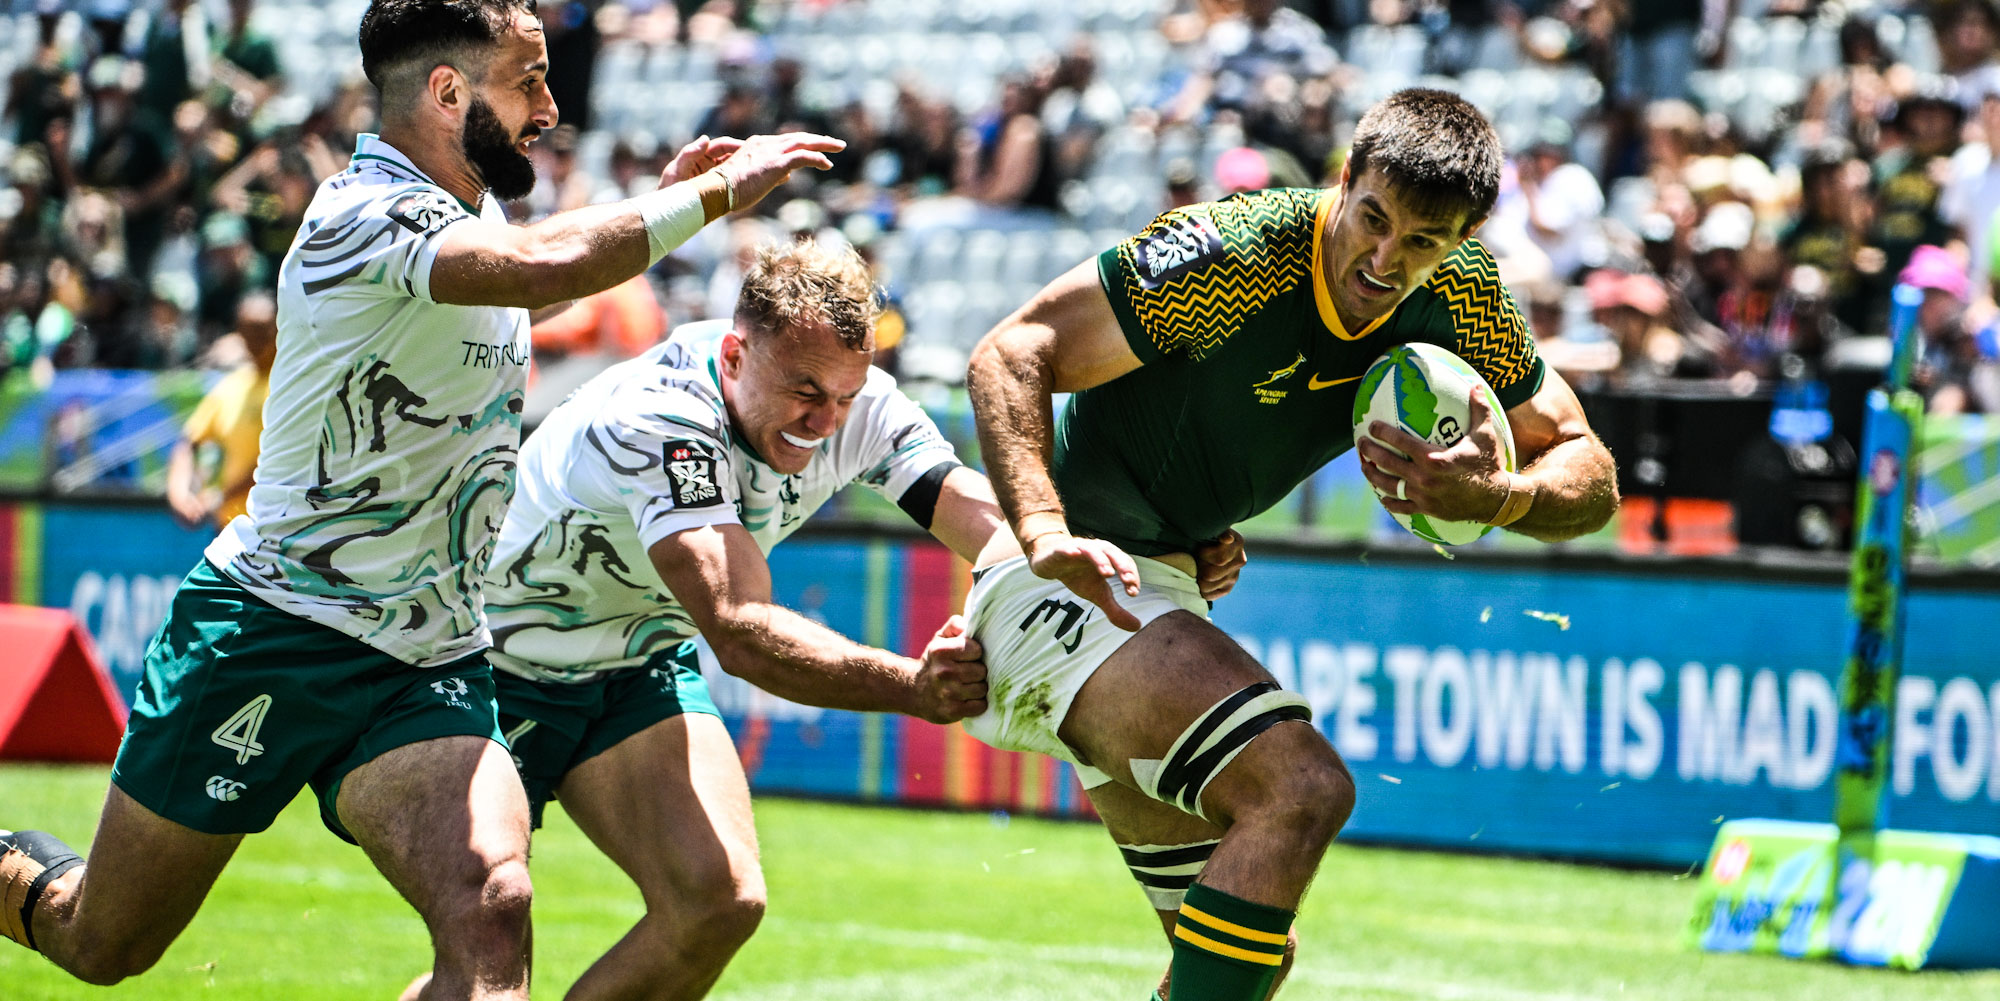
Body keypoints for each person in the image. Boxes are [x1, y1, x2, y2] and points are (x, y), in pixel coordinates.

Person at [0, 1, 839, 996]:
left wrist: (646, 207)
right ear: (447, 91)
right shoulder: (360, 211)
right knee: (103, 941)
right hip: (274, 628)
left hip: (427, 650)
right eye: (527, 79)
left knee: (492, 904)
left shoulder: (471, 219)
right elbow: (542, 267)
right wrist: (701, 203)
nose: (549, 106)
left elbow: (536, 287)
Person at [963, 88, 1619, 1001]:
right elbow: (1012, 350)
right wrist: (1041, 530)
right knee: (1301, 787)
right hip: (1064, 583)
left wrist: (1502, 496)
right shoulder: (1236, 252)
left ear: (1463, 241)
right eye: (1374, 218)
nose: (1386, 260)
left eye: (1423, 243)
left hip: (1160, 587)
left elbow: (1590, 471)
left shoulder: (1467, 299)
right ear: (1344, 179)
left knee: (1250, 952)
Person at [450, 236, 1019, 1000]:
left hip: (636, 660)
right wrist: (914, 685)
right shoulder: (662, 420)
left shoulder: (859, 405)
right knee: (488, 956)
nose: (826, 421)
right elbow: (741, 626)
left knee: (719, 901)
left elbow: (977, 514)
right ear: (733, 357)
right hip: (495, 665)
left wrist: (1084, 557)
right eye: (804, 390)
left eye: (846, 394)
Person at [166, 292, 278, 530]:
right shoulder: (231, 386)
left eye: (262, 330)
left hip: (272, 528)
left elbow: (275, 457)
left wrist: (218, 495)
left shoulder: (287, 385)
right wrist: (180, 495)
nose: (255, 340)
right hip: (228, 527)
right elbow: (188, 443)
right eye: (248, 331)